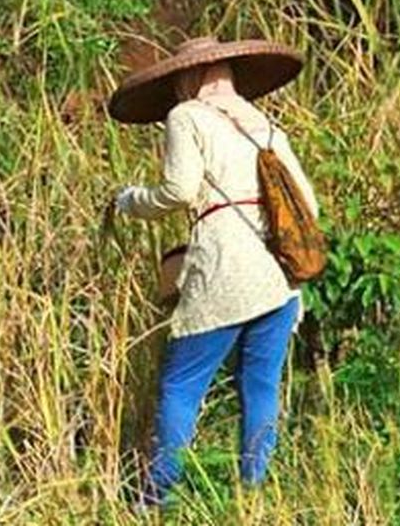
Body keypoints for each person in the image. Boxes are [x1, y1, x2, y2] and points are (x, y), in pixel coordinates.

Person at [108, 36, 316, 507]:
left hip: (224, 269)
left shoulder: (188, 117)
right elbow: (310, 205)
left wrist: (132, 201)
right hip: (279, 279)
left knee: (181, 386)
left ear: (190, 75)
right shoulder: (264, 127)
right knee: (260, 385)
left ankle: (154, 497)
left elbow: (179, 190)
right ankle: (253, 496)